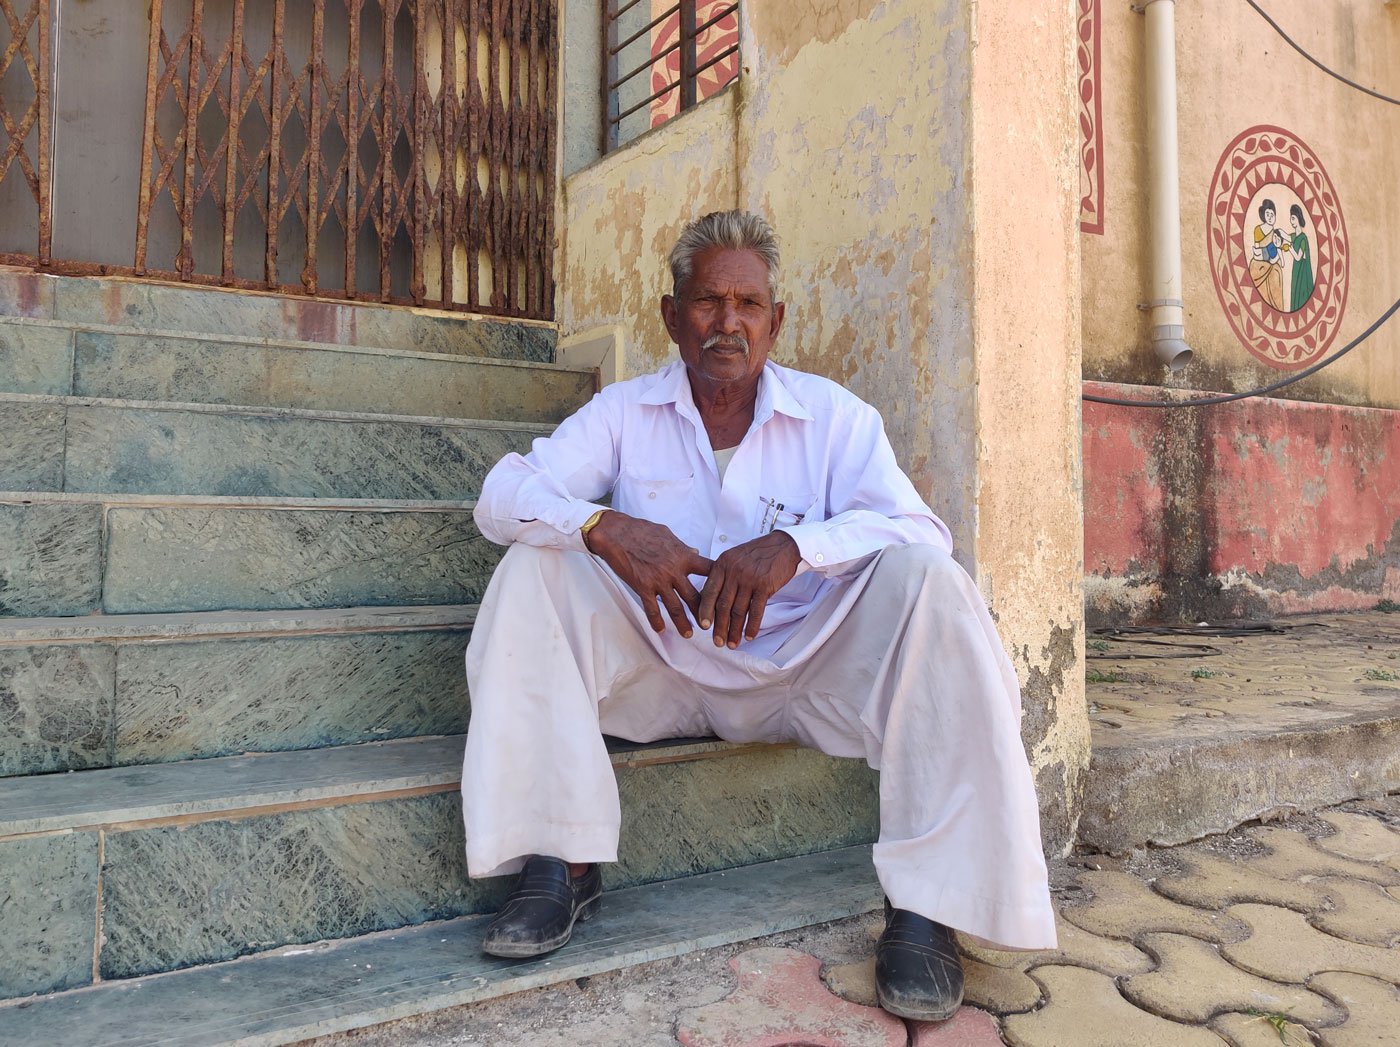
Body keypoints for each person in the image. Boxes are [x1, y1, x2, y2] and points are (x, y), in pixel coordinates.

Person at [460, 210, 1056, 1022]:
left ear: (776, 322)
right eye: (708, 302)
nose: (727, 323)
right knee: (534, 564)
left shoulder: (836, 417)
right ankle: (559, 860)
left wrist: (796, 548)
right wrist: (604, 526)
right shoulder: (624, 413)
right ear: (672, 316)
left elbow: (919, 529)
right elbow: (501, 494)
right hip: (661, 668)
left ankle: (927, 906)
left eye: (748, 304)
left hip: (804, 674)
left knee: (933, 582)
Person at [1250, 199, 1286, 311]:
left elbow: (1276, 248)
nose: (1270, 217)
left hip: (1271, 261)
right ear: (1263, 215)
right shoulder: (1258, 230)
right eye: (1268, 214)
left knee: (1277, 272)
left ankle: (1276, 307)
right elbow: (1256, 248)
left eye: (1272, 214)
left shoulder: (1275, 233)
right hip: (1260, 262)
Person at [1288, 204, 1314, 312]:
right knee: (1295, 294)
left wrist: (1290, 249)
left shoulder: (1303, 238)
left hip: (1301, 273)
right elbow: (1286, 236)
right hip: (1296, 270)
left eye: (1293, 218)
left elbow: (1298, 257)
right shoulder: (1294, 236)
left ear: (1298, 218)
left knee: (1300, 295)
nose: (1291, 220)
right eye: (1291, 218)